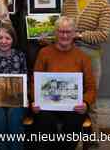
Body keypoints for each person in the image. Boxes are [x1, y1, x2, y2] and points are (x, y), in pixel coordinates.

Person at [31, 16, 96, 150]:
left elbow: (91, 88)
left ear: (74, 34)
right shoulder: (44, 53)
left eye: (68, 32)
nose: (64, 35)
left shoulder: (83, 57)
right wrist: (35, 100)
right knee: (44, 122)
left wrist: (85, 102)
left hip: (73, 105)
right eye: (61, 31)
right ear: (55, 33)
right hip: (48, 104)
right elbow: (34, 82)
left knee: (73, 124)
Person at [63, 0, 110, 136]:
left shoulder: (103, 4)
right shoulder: (68, 3)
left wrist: (79, 35)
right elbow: (62, 29)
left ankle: (94, 139)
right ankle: (73, 139)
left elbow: (104, 34)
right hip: (68, 57)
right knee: (70, 99)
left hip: (91, 58)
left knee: (90, 101)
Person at [0, 24, 27, 150]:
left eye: (7, 38)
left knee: (14, 118)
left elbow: (25, 78)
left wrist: (25, 96)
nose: (3, 41)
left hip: (16, 99)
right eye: (0, 38)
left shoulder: (20, 55)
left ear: (13, 40)